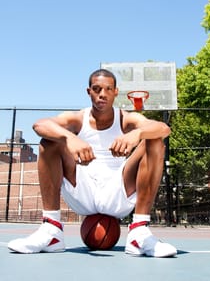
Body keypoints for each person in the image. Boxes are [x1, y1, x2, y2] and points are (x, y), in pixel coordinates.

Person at [8, 68, 177, 257]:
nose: (102, 94)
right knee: (50, 141)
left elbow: (163, 128)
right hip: (82, 189)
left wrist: (137, 134)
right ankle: (51, 230)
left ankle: (139, 233)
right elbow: (40, 125)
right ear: (89, 92)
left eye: (107, 89)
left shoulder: (125, 118)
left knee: (154, 140)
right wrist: (68, 138)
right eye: (96, 89)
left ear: (115, 92)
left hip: (119, 191)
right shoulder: (78, 118)